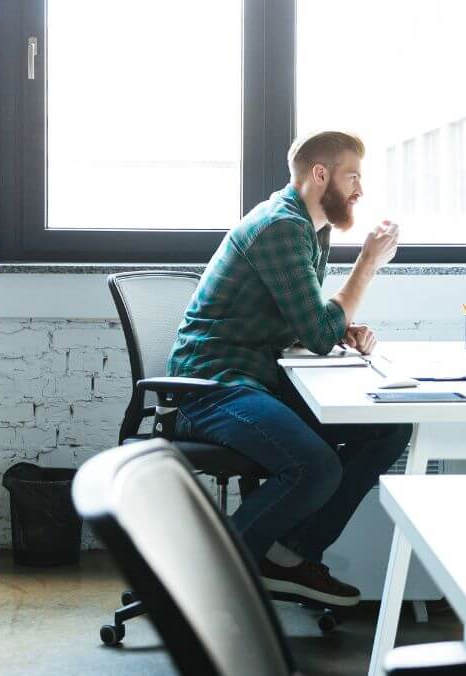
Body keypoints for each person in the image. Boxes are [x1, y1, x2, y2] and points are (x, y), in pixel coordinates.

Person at [166, 130, 409, 609]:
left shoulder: (309, 229)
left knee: (387, 426)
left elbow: (307, 324)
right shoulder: (280, 225)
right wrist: (366, 264)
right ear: (320, 175)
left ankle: (287, 555)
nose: (360, 190)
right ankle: (214, 579)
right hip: (210, 387)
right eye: (353, 176)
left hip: (253, 376)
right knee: (313, 465)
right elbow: (317, 335)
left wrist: (341, 326)